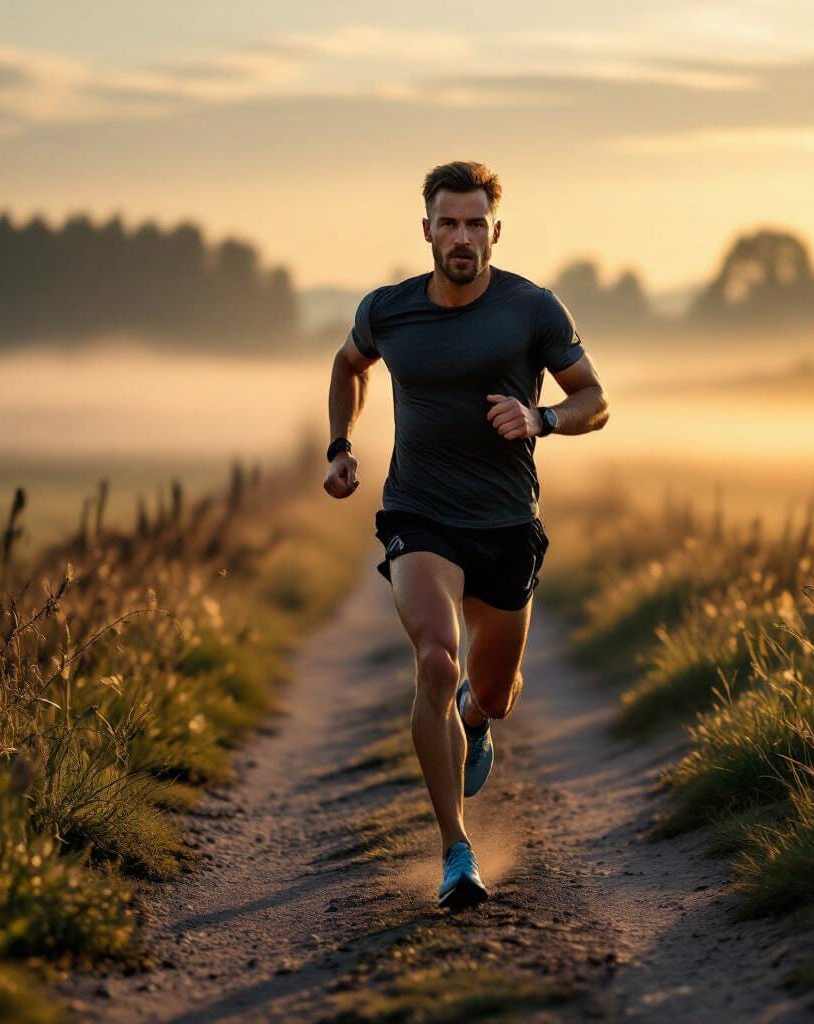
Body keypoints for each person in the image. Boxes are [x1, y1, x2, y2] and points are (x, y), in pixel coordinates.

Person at [324, 160, 609, 909]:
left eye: (475, 223)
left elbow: (595, 399)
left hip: (506, 523)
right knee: (435, 658)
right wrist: (340, 446)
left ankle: (476, 719)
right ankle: (456, 850)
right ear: (426, 230)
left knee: (493, 692)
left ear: (495, 231)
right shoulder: (388, 310)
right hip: (418, 513)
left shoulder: (532, 309)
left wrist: (542, 418)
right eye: (448, 223)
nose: (461, 237)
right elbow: (349, 366)